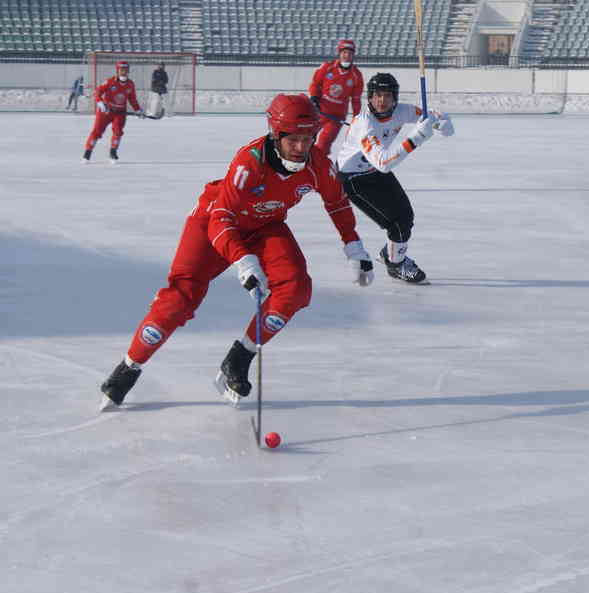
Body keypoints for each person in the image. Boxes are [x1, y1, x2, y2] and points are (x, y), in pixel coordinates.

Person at [99, 94, 374, 410]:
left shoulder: (317, 165)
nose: (301, 148)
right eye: (294, 140)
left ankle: (238, 360)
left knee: (294, 288)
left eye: (308, 139)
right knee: (179, 300)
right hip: (214, 225)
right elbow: (221, 218)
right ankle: (128, 368)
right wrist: (243, 260)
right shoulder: (249, 163)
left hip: (265, 226)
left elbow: (336, 202)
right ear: (276, 135)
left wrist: (354, 246)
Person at [336, 72, 454, 284]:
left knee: (406, 215)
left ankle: (390, 253)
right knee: (397, 223)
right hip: (354, 178)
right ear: (369, 97)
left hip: (373, 171)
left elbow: (425, 115)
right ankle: (396, 265)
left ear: (395, 98)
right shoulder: (366, 124)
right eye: (377, 95)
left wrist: (441, 122)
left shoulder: (401, 111)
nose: (382, 101)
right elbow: (384, 163)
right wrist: (416, 138)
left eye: (387, 96)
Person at [308, 39, 364, 156]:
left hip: (336, 117)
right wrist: (314, 98)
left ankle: (319, 164)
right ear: (339, 53)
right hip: (319, 112)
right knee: (307, 137)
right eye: (344, 53)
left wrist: (356, 118)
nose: (347, 56)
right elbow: (315, 84)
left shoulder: (356, 75)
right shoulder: (327, 67)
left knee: (324, 142)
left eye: (350, 53)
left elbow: (356, 100)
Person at [82, 61, 143, 164]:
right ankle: (87, 153)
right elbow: (98, 92)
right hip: (105, 111)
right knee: (97, 131)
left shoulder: (130, 84)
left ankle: (113, 152)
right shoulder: (109, 82)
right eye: (121, 70)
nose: (123, 72)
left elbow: (132, 99)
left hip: (120, 112)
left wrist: (138, 110)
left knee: (118, 132)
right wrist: (100, 103)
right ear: (117, 70)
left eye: (125, 70)